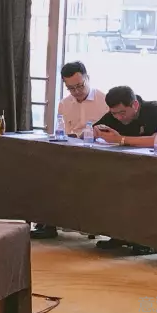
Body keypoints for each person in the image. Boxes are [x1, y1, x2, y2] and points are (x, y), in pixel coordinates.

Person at [91, 85, 157, 255]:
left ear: (135, 105)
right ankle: (120, 235)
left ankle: (150, 242)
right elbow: (93, 129)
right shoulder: (114, 115)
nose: (118, 117)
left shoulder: (155, 110)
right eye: (114, 114)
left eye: (122, 113)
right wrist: (97, 132)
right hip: (129, 166)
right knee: (108, 186)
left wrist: (121, 139)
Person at [31, 61, 108, 240]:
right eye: (71, 88)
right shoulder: (65, 104)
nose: (77, 91)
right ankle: (48, 222)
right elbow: (63, 133)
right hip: (72, 152)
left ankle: (85, 223)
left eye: (80, 86)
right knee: (43, 170)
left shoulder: (104, 101)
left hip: (98, 154)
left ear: (88, 78)